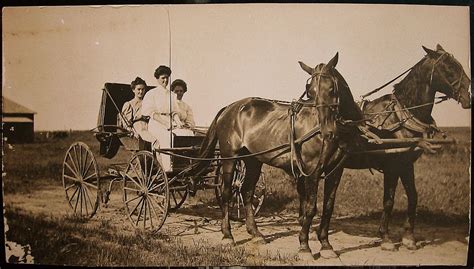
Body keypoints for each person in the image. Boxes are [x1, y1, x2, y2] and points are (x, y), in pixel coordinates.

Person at [141, 65, 182, 171]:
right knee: (167, 137)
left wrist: (178, 122)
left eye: (167, 77)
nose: (165, 80)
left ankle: (182, 165)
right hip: (156, 123)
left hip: (170, 122)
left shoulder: (172, 95)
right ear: (157, 79)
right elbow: (151, 113)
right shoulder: (151, 94)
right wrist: (165, 123)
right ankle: (168, 168)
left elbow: (174, 112)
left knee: (186, 134)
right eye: (163, 78)